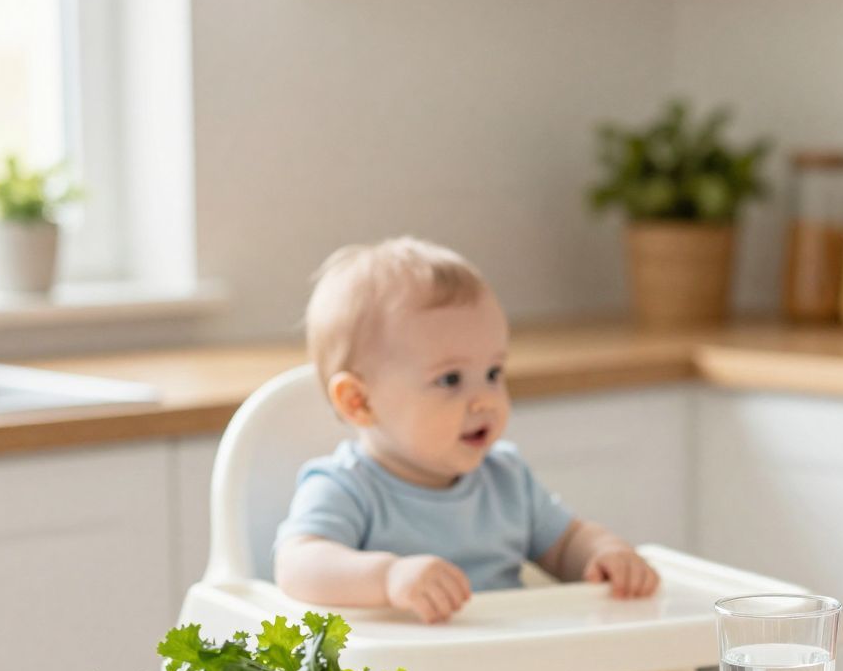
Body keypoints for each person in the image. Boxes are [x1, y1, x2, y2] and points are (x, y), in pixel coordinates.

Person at [274, 237, 659, 625]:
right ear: (359, 401)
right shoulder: (347, 488)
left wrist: (604, 554)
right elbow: (298, 564)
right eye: (450, 379)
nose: (484, 400)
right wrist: (388, 577)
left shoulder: (506, 479)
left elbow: (566, 544)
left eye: (493, 373)